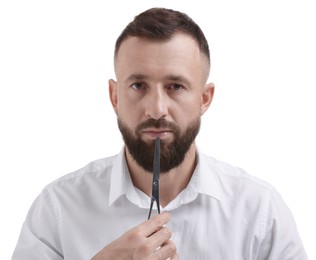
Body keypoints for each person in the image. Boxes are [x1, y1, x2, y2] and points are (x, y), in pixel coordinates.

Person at [12, 7, 307, 260]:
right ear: (115, 96)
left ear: (205, 98)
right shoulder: (58, 208)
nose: (156, 109)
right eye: (138, 85)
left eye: (175, 86)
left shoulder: (260, 211)